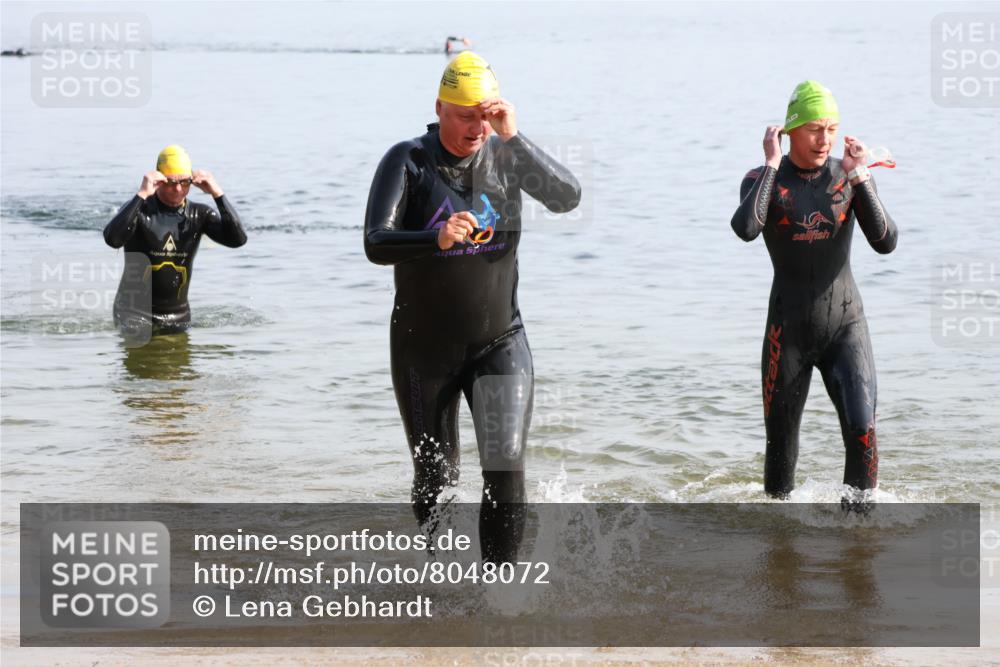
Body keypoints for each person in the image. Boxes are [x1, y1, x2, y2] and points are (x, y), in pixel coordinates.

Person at [364, 52, 581, 561]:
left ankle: (499, 592)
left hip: (499, 340)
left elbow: (567, 197)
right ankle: (437, 576)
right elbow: (376, 242)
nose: (476, 127)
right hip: (424, 349)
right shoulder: (408, 160)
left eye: (486, 115)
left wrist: (515, 137)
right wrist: (433, 238)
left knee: (505, 464)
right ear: (440, 107)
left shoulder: (507, 155)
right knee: (436, 475)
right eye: (465, 116)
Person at [730, 81, 898, 506]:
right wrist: (770, 165)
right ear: (790, 130)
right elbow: (746, 229)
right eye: (814, 129)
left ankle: (858, 538)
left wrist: (861, 176)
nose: (825, 140)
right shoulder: (761, 179)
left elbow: (885, 241)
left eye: (832, 128)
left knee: (863, 431)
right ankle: (780, 546)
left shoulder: (847, 177)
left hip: (846, 326)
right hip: (787, 332)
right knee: (781, 452)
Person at [104, 145, 246, 340]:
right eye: (171, 182)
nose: (178, 189)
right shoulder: (140, 210)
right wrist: (142, 194)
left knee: (181, 370)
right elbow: (113, 239)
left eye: (185, 182)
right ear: (158, 180)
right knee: (146, 367)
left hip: (178, 316)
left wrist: (217, 193)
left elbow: (237, 240)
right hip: (134, 314)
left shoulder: (199, 214)